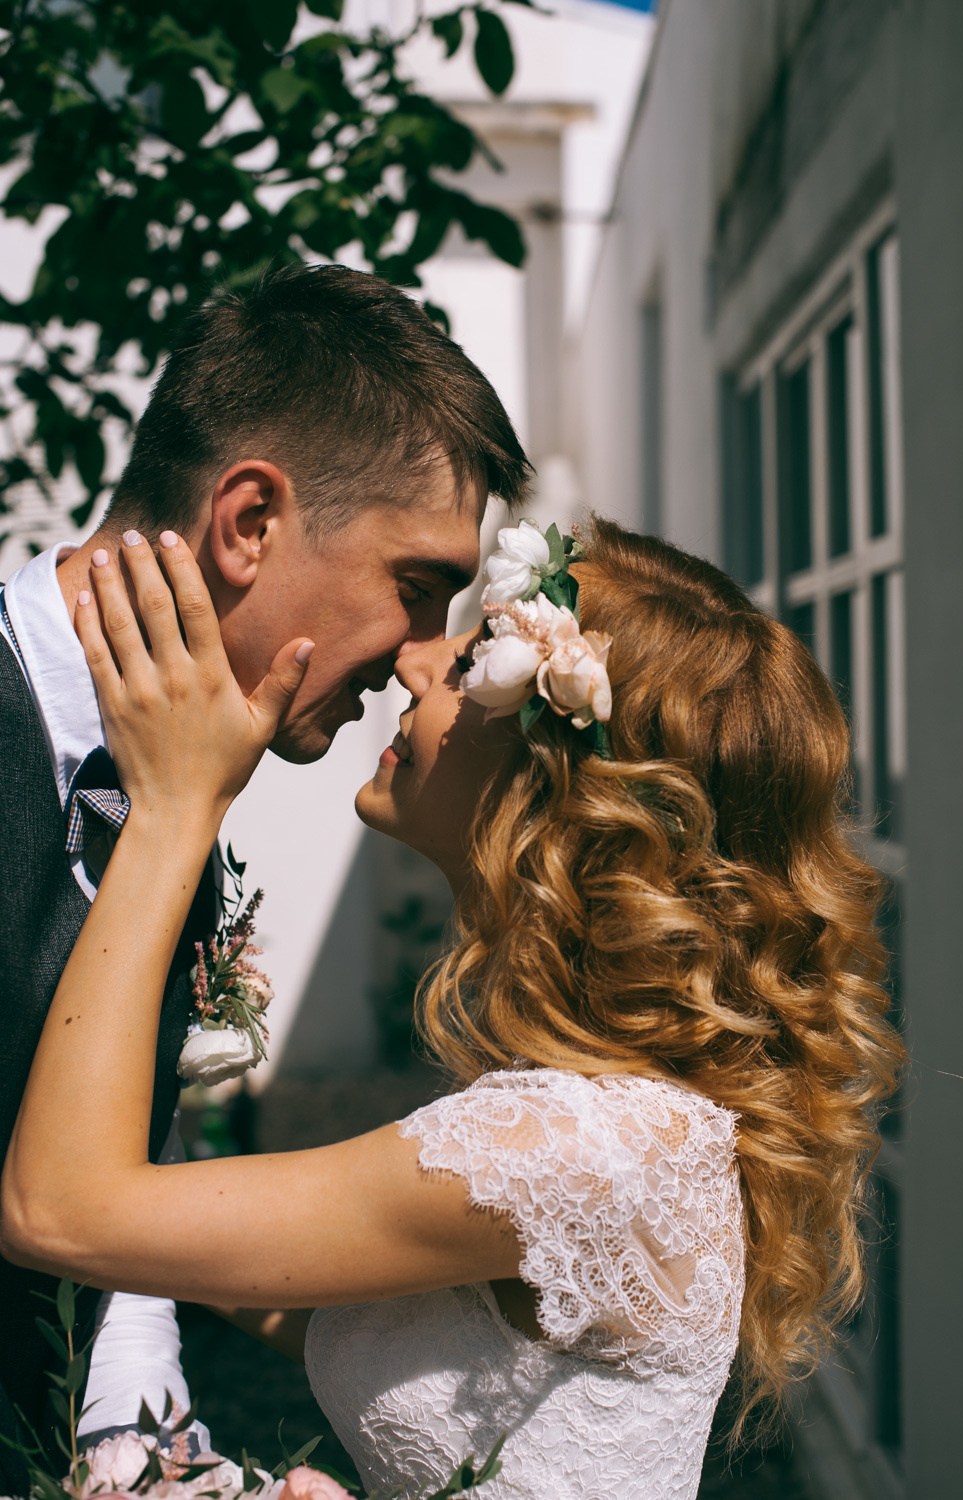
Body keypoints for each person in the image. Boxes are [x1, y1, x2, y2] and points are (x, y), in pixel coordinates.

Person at [0, 518, 905, 1498]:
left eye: (475, 654)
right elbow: (377, 1321)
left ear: (557, 778)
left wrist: (173, 807)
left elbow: (56, 1212)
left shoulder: (585, 1148)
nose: (413, 661)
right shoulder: (601, 1114)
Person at [0, 263, 529, 1491]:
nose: (417, 659)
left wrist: (137, 1443)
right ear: (247, 523)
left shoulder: (179, 777)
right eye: (417, 586)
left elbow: (118, 1166)